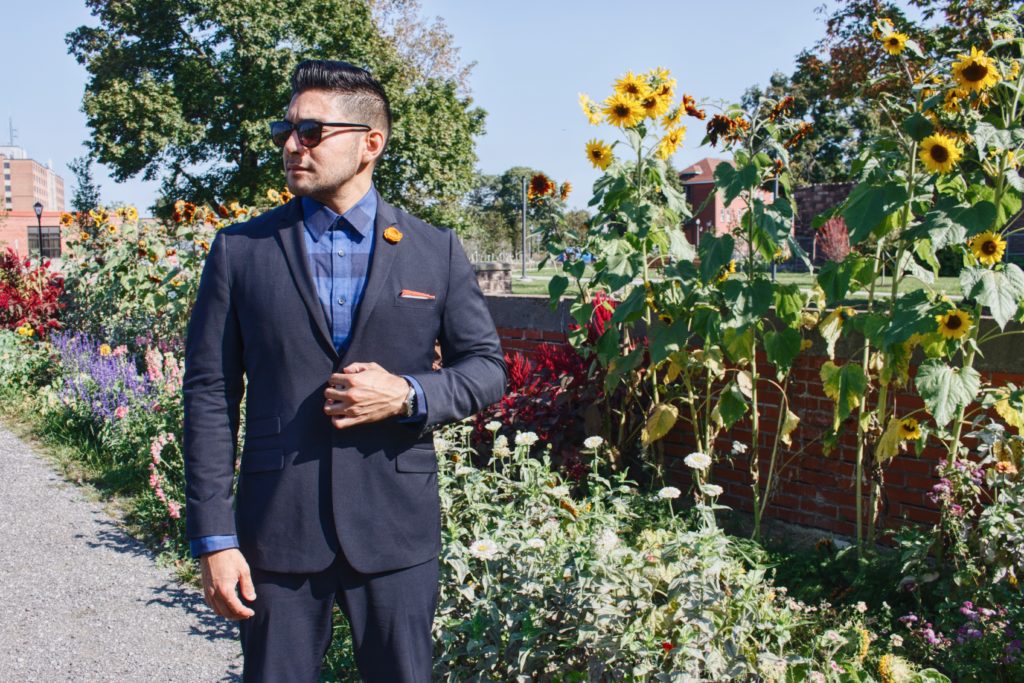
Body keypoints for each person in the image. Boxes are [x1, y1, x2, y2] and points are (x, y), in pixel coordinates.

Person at [182, 59, 507, 682]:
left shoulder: (433, 251)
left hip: (396, 529)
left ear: (370, 144)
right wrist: (215, 539)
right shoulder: (240, 252)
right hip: (277, 530)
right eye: (286, 128)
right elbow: (209, 397)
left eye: (310, 131)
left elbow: (486, 368)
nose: (290, 144)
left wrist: (407, 394)